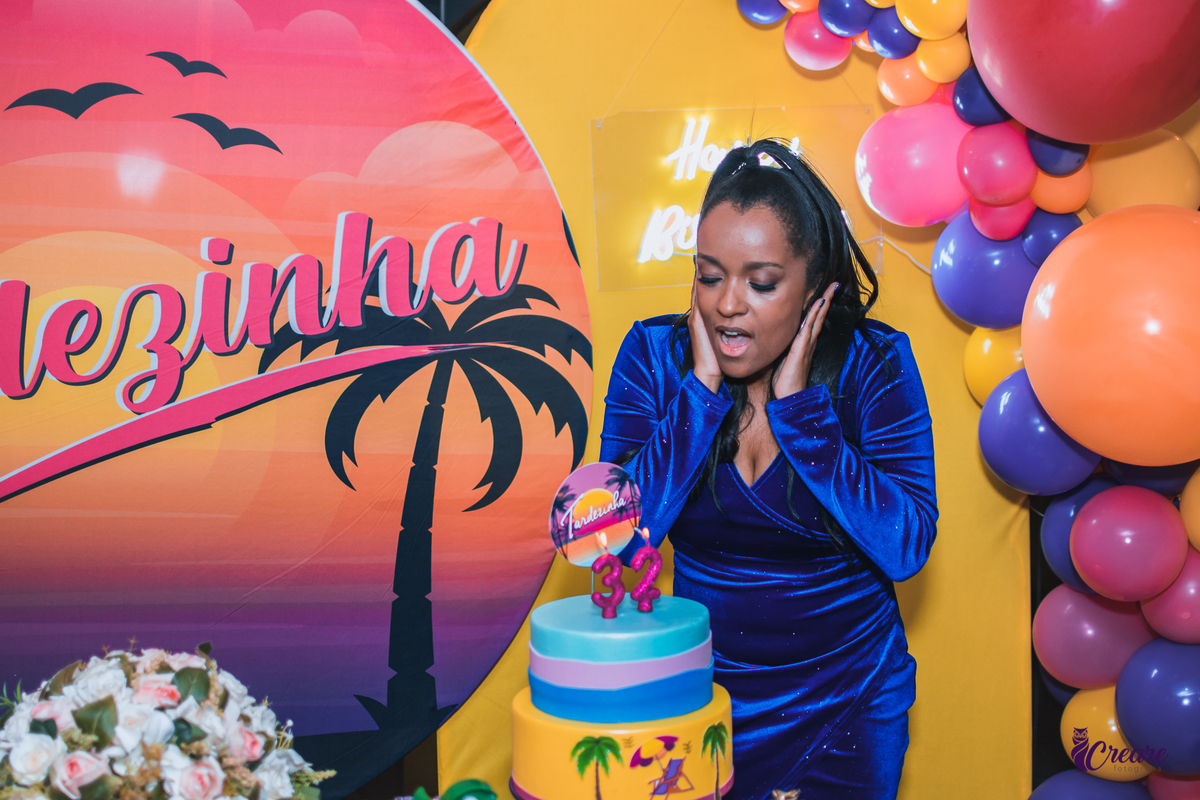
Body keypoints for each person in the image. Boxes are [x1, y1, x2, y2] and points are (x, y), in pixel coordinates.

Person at [599, 139, 938, 799]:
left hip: (848, 701)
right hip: (698, 700)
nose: (727, 304)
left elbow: (905, 547)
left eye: (760, 282)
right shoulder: (652, 355)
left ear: (814, 288)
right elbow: (614, 540)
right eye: (709, 274)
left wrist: (806, 418)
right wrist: (696, 401)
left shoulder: (875, 362)